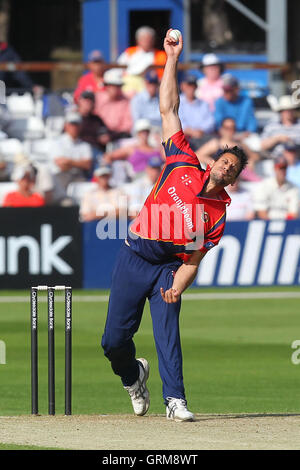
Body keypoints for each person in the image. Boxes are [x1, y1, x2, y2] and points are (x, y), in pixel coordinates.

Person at [101, 29, 248, 422]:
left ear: (232, 179)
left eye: (232, 168)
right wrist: (171, 59)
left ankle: (175, 400)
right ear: (214, 160)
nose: (225, 166)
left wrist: (178, 286)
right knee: (113, 342)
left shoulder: (217, 212)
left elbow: (194, 258)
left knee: (168, 333)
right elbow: (169, 109)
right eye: (224, 160)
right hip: (134, 255)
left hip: (169, 266)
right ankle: (134, 375)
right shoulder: (182, 160)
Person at [50, 112, 92, 204]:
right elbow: (61, 165)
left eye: (76, 125)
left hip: (78, 176)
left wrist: (69, 161)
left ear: (80, 126)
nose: (74, 127)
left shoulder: (85, 145)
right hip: (61, 176)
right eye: (72, 124)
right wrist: (79, 163)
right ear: (66, 126)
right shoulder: (57, 142)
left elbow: (87, 165)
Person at [118, 26, 166, 96]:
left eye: (149, 39)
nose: (147, 41)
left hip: (151, 86)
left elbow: (163, 77)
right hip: (129, 88)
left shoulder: (161, 55)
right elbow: (119, 69)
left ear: (153, 40)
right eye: (143, 38)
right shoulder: (130, 52)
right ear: (138, 40)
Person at [178, 73, 215, 150]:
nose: (191, 87)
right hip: (183, 137)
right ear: (182, 86)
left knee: (216, 143)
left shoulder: (204, 103)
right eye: (189, 84)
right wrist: (192, 132)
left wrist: (200, 131)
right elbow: (178, 122)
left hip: (201, 136)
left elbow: (210, 122)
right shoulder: (177, 102)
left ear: (196, 87)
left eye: (193, 85)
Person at [94, 68, 133, 137]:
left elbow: (127, 125)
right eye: (113, 85)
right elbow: (93, 118)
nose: (116, 89)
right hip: (98, 135)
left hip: (118, 136)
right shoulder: (98, 98)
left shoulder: (125, 101)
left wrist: (113, 135)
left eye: (118, 86)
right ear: (107, 86)